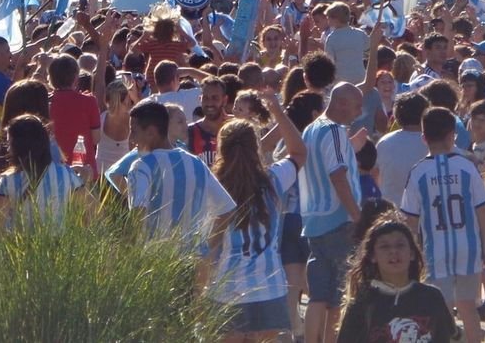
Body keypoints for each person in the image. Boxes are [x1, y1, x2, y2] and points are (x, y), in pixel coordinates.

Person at [206, 93, 306, 342]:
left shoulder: (213, 187)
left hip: (227, 290)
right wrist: (278, 112)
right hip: (269, 288)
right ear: (256, 147)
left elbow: (209, 246)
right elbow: (298, 153)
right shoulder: (273, 181)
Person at [401, 106, 485, 343]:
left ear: (424, 138)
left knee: (439, 309)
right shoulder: (466, 166)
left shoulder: (419, 171)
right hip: (469, 247)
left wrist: (411, 254)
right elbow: (483, 208)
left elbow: (410, 218)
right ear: (453, 135)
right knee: (468, 306)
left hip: (435, 250)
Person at [299, 82, 364, 343]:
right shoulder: (335, 131)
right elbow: (338, 175)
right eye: (357, 105)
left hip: (313, 221)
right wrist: (357, 216)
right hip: (338, 221)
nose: (360, 111)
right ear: (341, 103)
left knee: (318, 296)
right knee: (339, 295)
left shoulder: (310, 129)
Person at [123, 100, 235, 244]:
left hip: (154, 261)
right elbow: (226, 209)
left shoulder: (141, 167)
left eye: (134, 131)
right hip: (192, 261)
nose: (131, 138)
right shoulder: (196, 163)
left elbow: (138, 215)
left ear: (151, 132)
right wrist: (209, 249)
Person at [336, 216, 455, 343]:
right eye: (385, 246)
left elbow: (445, 337)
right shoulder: (364, 302)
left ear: (412, 253)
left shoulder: (431, 297)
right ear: (372, 256)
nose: (393, 251)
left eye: (400, 245)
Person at [0, 115, 83, 221]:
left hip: (21, 237)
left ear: (17, 146)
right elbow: (92, 211)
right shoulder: (66, 174)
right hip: (60, 237)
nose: (8, 149)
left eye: (9, 143)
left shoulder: (7, 181)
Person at [376, 92, 430, 205]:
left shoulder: (384, 142)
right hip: (425, 210)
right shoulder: (433, 142)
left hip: (392, 212)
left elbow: (375, 174)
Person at [322, 3, 369, 85]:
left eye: (328, 17)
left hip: (341, 80)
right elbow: (369, 51)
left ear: (335, 19)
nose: (327, 20)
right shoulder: (360, 34)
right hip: (360, 78)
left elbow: (329, 62)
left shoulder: (331, 38)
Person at [188, 76, 228, 167]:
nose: (210, 103)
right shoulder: (189, 132)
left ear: (224, 100)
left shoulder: (235, 130)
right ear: (200, 100)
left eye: (215, 98)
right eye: (205, 98)